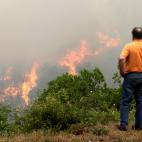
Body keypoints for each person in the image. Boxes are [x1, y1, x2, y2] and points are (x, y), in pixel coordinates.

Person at [119, 27, 142, 131]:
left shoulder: (129, 46)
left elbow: (121, 58)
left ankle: (123, 124)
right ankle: (139, 125)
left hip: (131, 76)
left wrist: (122, 71)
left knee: (126, 101)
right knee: (140, 101)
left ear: (132, 35)